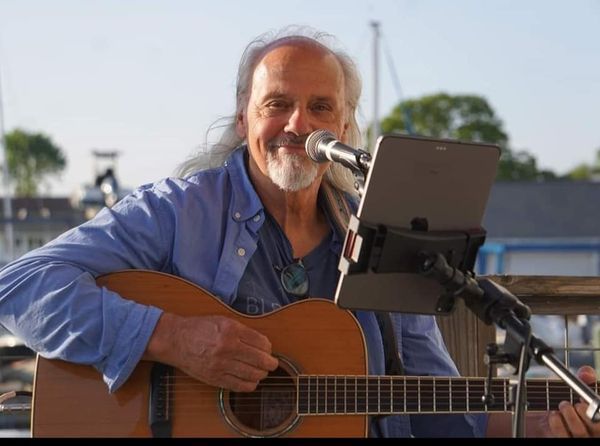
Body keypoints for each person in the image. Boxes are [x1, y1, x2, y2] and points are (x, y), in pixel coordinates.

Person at [0, 26, 597, 438]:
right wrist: (170, 338)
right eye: (277, 104)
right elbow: (19, 285)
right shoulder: (178, 212)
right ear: (243, 118)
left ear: (345, 126)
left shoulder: (386, 236)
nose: (298, 125)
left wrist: (544, 424)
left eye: (320, 108)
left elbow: (440, 411)